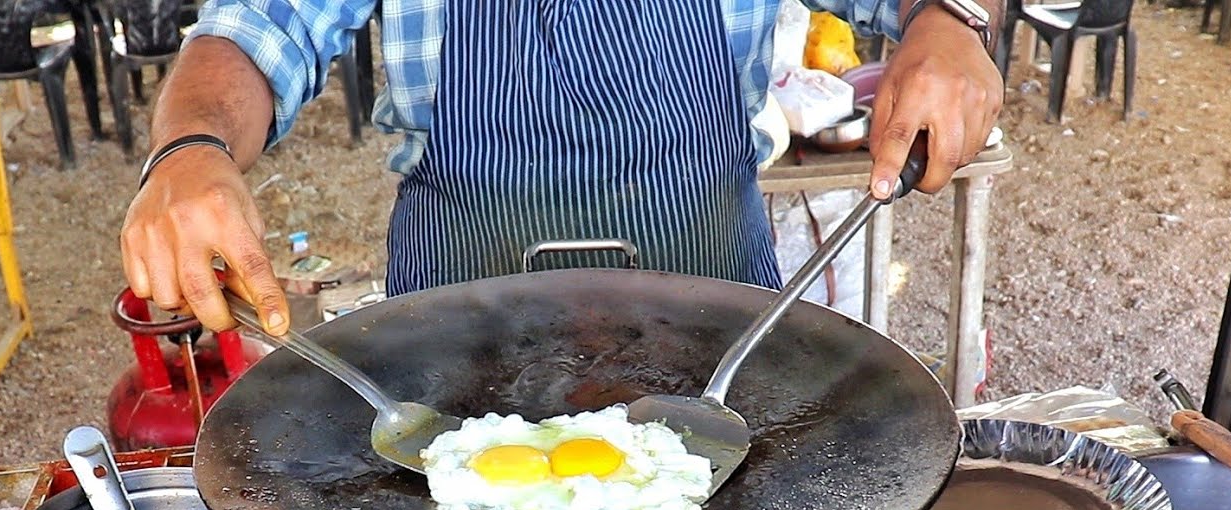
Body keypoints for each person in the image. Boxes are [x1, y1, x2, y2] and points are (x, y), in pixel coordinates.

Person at [120, 0, 1003, 336]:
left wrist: (952, 23)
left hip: (712, 322)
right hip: (452, 332)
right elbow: (251, 32)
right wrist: (190, 148)